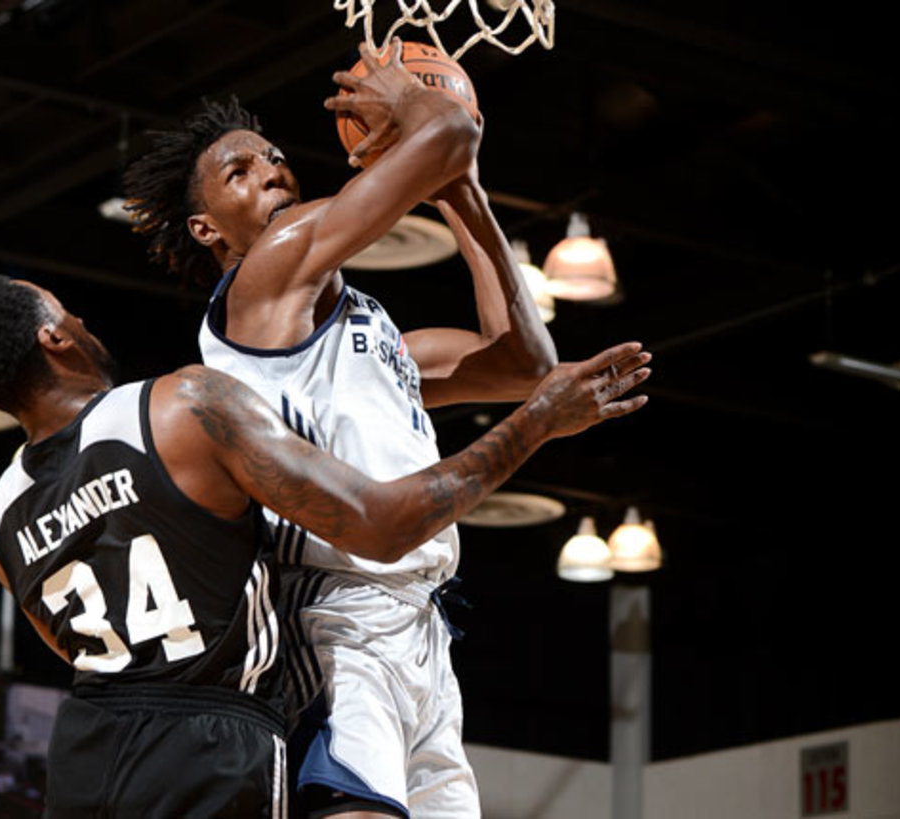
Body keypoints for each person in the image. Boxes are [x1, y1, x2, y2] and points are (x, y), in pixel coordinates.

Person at [0, 275, 649, 818]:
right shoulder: (182, 405)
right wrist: (537, 422)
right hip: (213, 738)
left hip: (86, 752)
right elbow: (382, 522)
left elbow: (74, 648)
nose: (83, 320)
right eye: (67, 313)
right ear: (54, 339)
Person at [123, 39, 593, 818]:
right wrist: (423, 113)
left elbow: (523, 361)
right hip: (333, 617)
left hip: (422, 622)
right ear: (208, 230)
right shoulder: (262, 278)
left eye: (273, 157)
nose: (272, 170)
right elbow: (451, 131)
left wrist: (463, 192)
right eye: (240, 172)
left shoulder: (378, 336)